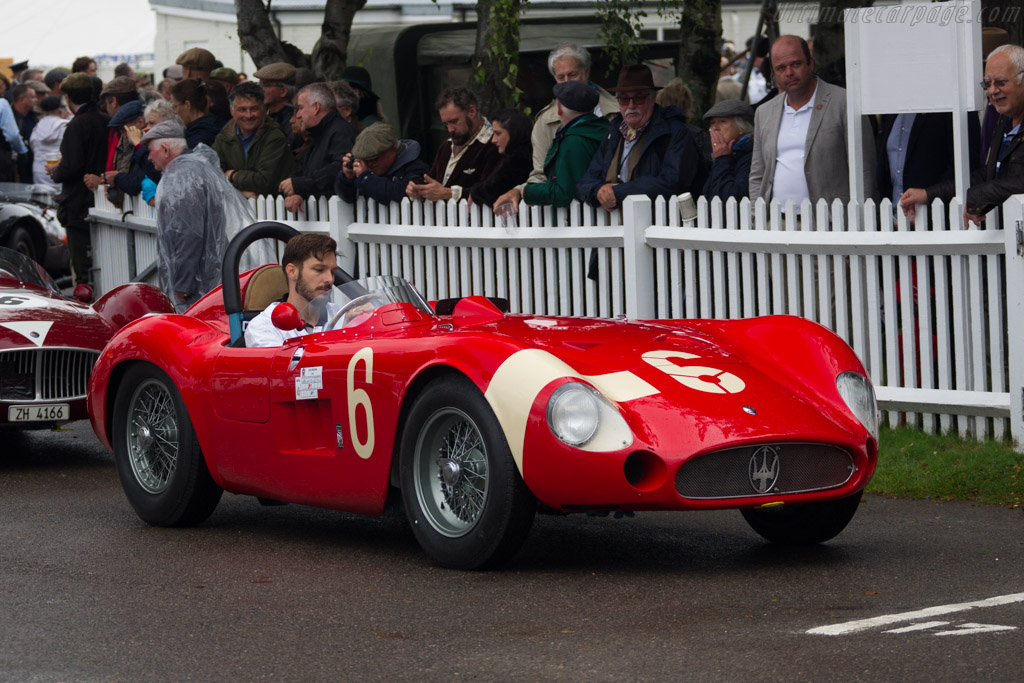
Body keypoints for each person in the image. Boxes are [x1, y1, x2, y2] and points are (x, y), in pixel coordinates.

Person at [900, 44, 1024, 226]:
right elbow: (988, 175)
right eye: (987, 84)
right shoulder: (1004, 121)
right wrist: (928, 194)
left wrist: (982, 193)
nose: (992, 91)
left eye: (1001, 82)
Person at [748, 35, 876, 206]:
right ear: (774, 75)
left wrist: (860, 220)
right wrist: (760, 217)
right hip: (777, 223)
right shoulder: (763, 113)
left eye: (796, 64)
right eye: (780, 68)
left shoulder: (845, 103)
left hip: (831, 223)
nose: (789, 73)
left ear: (811, 63)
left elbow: (864, 169)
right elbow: (757, 174)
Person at [143, 120, 254, 312]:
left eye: (151, 151)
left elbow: (187, 232)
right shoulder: (197, 167)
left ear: (165, 149)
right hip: (211, 275)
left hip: (196, 285)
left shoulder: (180, 177)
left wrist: (183, 283)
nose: (149, 158)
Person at [577, 64, 708, 211]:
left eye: (639, 98)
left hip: (660, 226)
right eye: (624, 99)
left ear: (652, 99)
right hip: (616, 228)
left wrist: (618, 192)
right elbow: (584, 183)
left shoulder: (675, 132)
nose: (631, 105)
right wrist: (599, 191)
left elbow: (672, 182)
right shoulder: (612, 133)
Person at [494, 80, 607, 211]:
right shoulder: (602, 130)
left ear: (559, 108)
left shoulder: (573, 141)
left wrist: (528, 191)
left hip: (576, 222)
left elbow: (565, 193)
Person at [525, 44, 617, 187]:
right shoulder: (545, 121)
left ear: (587, 72)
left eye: (573, 75)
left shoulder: (618, 112)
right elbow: (540, 174)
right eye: (561, 77)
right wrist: (522, 191)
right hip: (565, 204)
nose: (567, 82)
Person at [48, 73, 109, 286]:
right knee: (107, 262)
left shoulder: (77, 125)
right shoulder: (105, 119)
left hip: (79, 201)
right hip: (105, 199)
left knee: (83, 271)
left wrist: (56, 172)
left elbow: (71, 166)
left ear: (68, 97)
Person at [244, 233, 342, 347]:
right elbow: (291, 364)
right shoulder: (263, 327)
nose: (329, 279)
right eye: (319, 270)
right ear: (292, 271)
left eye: (333, 272)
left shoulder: (342, 316)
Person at [405, 87, 502, 203]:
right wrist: (419, 190)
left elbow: (492, 191)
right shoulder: (446, 145)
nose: (450, 129)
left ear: (472, 111)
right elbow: (432, 181)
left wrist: (448, 193)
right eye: (445, 124)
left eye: (454, 121)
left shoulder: (494, 143)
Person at [278, 83, 355, 213]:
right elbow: (303, 169)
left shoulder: (341, 133)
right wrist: (297, 191)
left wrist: (300, 185)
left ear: (316, 107)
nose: (298, 115)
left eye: (301, 108)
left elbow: (339, 169)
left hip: (338, 215)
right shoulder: (318, 135)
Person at [212, 81, 294, 198]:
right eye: (242, 110)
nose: (249, 115)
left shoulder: (274, 136)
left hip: (271, 210)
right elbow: (211, 176)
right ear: (232, 111)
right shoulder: (224, 136)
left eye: (254, 109)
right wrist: (241, 193)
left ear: (263, 108)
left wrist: (232, 175)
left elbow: (263, 181)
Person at [336, 122, 429, 204]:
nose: (370, 164)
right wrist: (348, 179)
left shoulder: (416, 168)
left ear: (392, 151)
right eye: (365, 160)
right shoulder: (366, 173)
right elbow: (348, 198)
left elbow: (398, 193)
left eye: (374, 159)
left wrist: (366, 178)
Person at [466, 109, 532, 207]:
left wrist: (475, 192)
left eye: (498, 133)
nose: (493, 140)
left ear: (514, 133)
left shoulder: (519, 161)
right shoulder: (514, 157)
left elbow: (492, 192)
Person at [702, 99, 755, 201]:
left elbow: (730, 199)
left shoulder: (751, 155)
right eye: (713, 123)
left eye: (723, 121)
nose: (715, 128)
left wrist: (722, 158)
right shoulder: (720, 153)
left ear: (742, 128)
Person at [29, 96, 69, 187]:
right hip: (58, 170)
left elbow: (33, 146)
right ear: (59, 109)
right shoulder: (65, 126)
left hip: (39, 170)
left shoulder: (37, 127)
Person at [254, 62, 298, 143]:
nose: (260, 89)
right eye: (259, 84)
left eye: (266, 85)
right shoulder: (261, 113)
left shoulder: (293, 118)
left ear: (283, 91)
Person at [170, 79, 220, 148]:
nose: (175, 112)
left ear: (187, 105)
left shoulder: (199, 138)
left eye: (175, 106)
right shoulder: (209, 125)